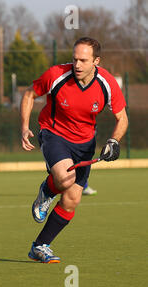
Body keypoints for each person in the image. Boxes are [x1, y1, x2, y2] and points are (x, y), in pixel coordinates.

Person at [20, 37, 128, 263]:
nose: (77, 65)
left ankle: (40, 246)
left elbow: (122, 118)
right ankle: (47, 190)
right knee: (65, 178)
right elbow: (30, 94)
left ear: (96, 61)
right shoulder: (56, 75)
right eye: (74, 59)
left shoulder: (107, 83)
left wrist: (114, 141)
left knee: (71, 200)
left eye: (83, 60)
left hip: (85, 144)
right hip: (54, 133)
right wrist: (24, 126)